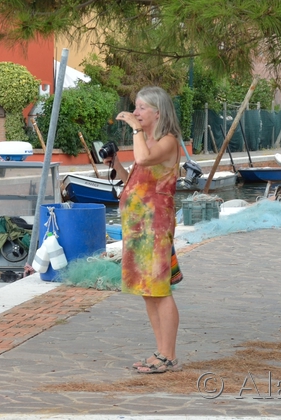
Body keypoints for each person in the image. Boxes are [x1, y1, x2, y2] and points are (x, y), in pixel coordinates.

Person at [105, 86, 182, 374]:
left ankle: (169, 356)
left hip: (155, 224)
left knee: (159, 289)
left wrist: (136, 129)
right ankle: (161, 351)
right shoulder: (147, 140)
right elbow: (136, 178)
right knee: (147, 291)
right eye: (135, 107)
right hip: (137, 225)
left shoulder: (168, 141)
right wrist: (116, 165)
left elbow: (144, 160)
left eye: (141, 108)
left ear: (158, 113)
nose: (135, 112)